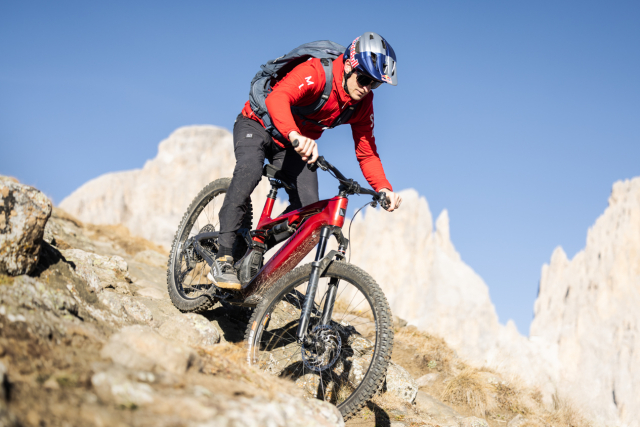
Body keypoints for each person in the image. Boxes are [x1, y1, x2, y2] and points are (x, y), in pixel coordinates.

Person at [214, 32, 402, 290]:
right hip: (258, 124)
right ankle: (223, 257)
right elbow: (277, 98)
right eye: (364, 79)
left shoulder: (362, 103)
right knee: (249, 170)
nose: (367, 88)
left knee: (309, 211)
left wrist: (384, 187)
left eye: (375, 84)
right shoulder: (317, 73)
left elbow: (366, 151)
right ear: (349, 65)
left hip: (292, 143)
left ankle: (253, 248)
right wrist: (295, 135)